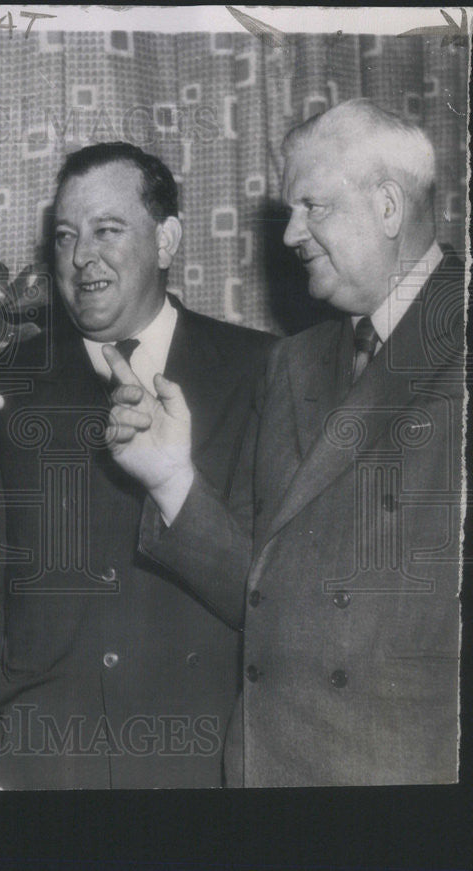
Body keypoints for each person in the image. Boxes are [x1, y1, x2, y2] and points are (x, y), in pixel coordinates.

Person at [106, 99, 463, 786]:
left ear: (387, 207)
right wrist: (171, 479)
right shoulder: (292, 362)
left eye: (312, 205)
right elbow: (262, 594)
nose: (291, 233)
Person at [0, 142, 275, 788]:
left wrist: (178, 490)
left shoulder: (265, 372)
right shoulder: (0, 391)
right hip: (47, 769)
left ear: (167, 239)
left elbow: (277, 602)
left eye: (107, 230)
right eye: (64, 236)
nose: (80, 255)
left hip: (207, 766)